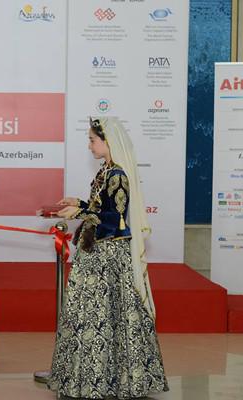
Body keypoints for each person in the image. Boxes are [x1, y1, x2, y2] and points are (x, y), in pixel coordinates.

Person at [47, 117, 169, 398]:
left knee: (102, 317)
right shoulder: (106, 170)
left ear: (108, 141)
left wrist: (79, 213)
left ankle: (100, 380)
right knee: (93, 316)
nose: (89, 145)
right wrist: (79, 203)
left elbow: (115, 221)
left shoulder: (117, 175)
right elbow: (101, 208)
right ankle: (94, 379)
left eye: (92, 140)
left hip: (107, 257)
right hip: (96, 253)